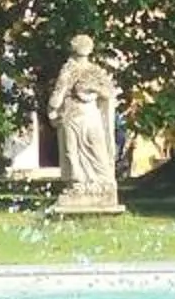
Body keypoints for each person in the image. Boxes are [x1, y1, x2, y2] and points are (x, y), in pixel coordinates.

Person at [48, 35, 121, 210]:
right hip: (80, 116)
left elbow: (56, 100)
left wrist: (91, 88)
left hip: (81, 116)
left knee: (83, 152)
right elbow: (55, 101)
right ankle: (87, 186)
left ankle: (90, 185)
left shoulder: (80, 71)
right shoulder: (82, 71)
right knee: (82, 153)